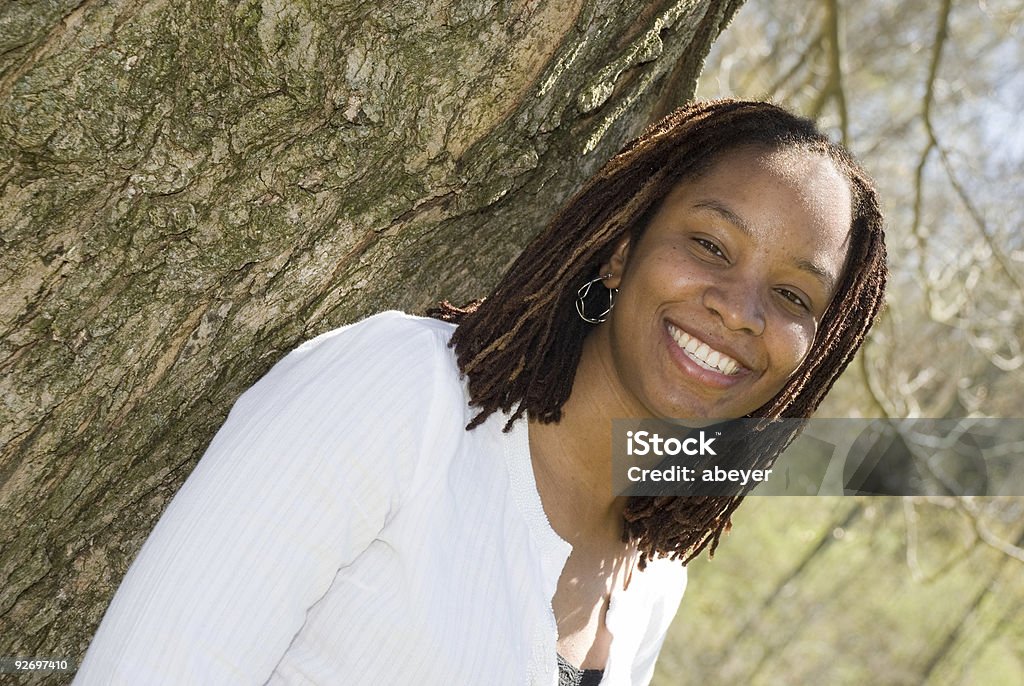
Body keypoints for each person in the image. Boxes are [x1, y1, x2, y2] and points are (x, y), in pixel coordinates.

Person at [73, 99, 887, 685]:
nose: (738, 311)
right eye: (711, 244)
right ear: (619, 251)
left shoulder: (652, 581)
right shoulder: (397, 393)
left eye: (792, 298)